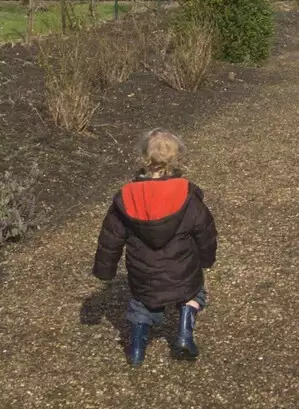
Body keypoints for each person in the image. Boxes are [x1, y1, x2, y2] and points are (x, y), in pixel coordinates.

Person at [92, 129, 218, 366]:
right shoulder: (185, 195)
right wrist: (206, 258)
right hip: (182, 269)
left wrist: (105, 271)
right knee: (194, 292)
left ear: (143, 157)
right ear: (177, 159)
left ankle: (137, 349)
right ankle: (183, 335)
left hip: (143, 270)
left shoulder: (127, 197)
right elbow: (205, 231)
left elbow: (110, 238)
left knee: (142, 303)